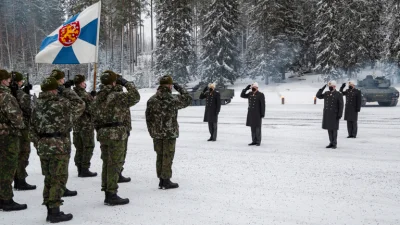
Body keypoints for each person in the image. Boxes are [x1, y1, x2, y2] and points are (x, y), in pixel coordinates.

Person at [31, 77, 84, 223]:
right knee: (58, 178)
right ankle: (54, 211)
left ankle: (50, 209)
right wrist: (67, 91)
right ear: (55, 89)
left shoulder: (37, 105)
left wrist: (40, 143)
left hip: (44, 146)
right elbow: (80, 104)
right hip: (59, 145)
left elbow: (31, 129)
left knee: (49, 178)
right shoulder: (62, 103)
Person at [91, 71, 140, 206]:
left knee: (107, 163)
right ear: (114, 83)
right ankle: (111, 193)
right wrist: (126, 83)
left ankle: (107, 190)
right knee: (114, 163)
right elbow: (135, 97)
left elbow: (93, 116)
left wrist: (99, 130)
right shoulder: (117, 96)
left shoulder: (98, 96)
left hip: (103, 133)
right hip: (116, 134)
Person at [145, 75, 192, 189]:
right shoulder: (172, 99)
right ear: (170, 86)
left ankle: (161, 179)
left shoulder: (152, 100)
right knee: (168, 155)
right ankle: (165, 180)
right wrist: (179, 88)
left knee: (160, 155)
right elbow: (187, 99)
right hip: (169, 133)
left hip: (157, 133)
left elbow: (148, 118)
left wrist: (152, 131)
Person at [0, 69, 27, 211]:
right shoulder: (6, 96)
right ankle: (6, 199)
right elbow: (16, 119)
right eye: (8, 79)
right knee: (7, 168)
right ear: (3, 80)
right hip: (7, 138)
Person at [50, 69, 79, 197]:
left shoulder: (50, 91)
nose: (63, 81)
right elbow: (78, 104)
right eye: (61, 79)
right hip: (60, 131)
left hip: (52, 132)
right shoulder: (58, 93)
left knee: (58, 163)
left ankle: (61, 186)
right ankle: (59, 188)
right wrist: (67, 90)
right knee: (61, 161)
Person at [11, 72, 36, 190]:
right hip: (22, 127)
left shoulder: (7, 92)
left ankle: (17, 178)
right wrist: (26, 93)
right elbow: (29, 107)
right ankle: (20, 180)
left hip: (11, 129)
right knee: (23, 153)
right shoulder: (18, 93)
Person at [72, 75, 97, 177]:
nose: (85, 83)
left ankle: (79, 167)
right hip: (86, 124)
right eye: (83, 82)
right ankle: (85, 168)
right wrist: (93, 99)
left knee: (79, 147)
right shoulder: (85, 95)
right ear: (81, 83)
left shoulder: (72, 94)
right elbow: (92, 109)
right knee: (88, 146)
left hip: (76, 125)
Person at [113, 80, 133, 183]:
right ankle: (117, 173)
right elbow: (135, 96)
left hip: (122, 128)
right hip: (121, 128)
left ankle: (117, 173)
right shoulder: (120, 96)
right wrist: (127, 84)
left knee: (118, 154)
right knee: (120, 153)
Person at [316, 80, 344, 149]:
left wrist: (340, 114)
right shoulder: (326, 93)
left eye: (331, 86)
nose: (330, 87)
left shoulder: (338, 94)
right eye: (329, 86)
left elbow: (341, 105)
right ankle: (331, 142)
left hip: (334, 114)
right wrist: (322, 88)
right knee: (329, 129)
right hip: (327, 114)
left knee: (334, 129)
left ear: (334, 86)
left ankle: (334, 143)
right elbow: (318, 96)